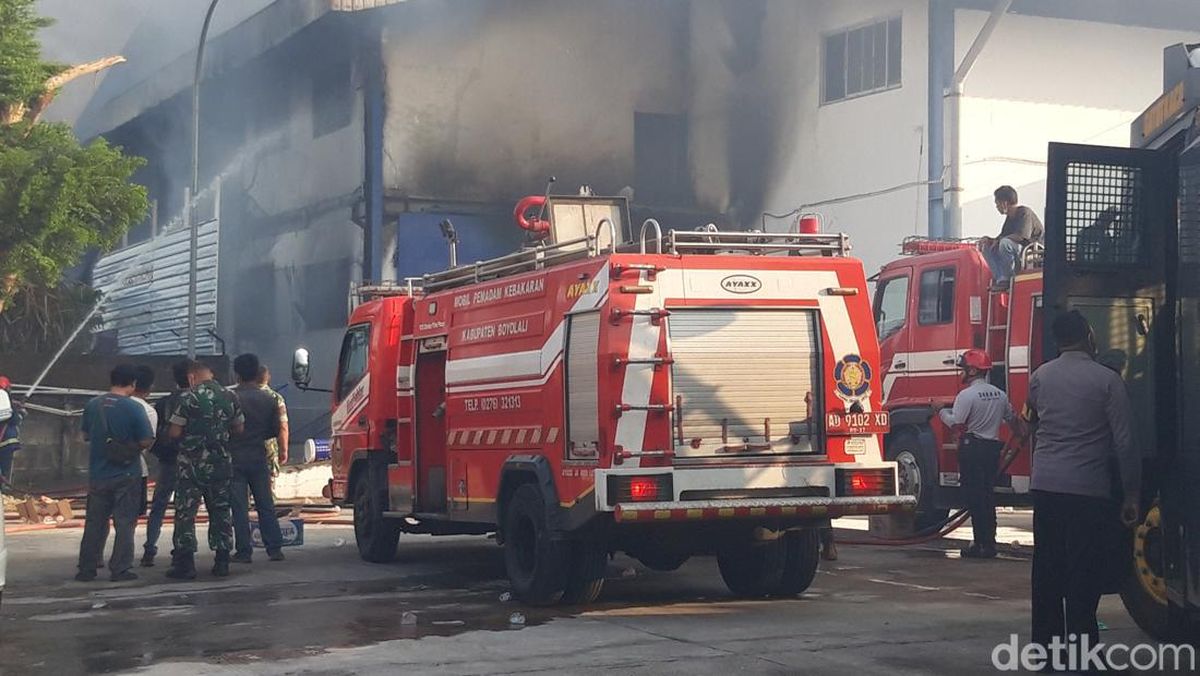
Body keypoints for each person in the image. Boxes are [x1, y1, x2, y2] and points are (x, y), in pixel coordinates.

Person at [1025, 311, 1139, 661]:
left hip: (1045, 486)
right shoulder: (1106, 381)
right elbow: (1125, 443)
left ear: (1059, 340)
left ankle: (1045, 651)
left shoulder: (1040, 377)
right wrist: (1131, 493)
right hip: (1087, 490)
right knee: (1081, 571)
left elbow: (1031, 422)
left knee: (1047, 570)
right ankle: (1080, 654)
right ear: (1089, 335)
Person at [936, 349, 1018, 559]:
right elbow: (1013, 420)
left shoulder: (966, 395)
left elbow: (957, 424)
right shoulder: (1000, 394)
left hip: (972, 449)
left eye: (963, 368)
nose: (961, 372)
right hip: (992, 450)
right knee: (987, 497)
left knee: (975, 498)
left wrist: (939, 411)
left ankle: (981, 544)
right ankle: (988, 543)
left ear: (972, 370)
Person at [76, 364, 155, 583]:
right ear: (133, 383)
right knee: (124, 523)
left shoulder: (93, 405)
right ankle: (120, 569)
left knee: (94, 523)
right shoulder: (134, 408)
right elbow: (146, 439)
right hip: (127, 473)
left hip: (98, 474)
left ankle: (86, 568)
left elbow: (84, 435)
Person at [167, 361, 244, 580]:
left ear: (192, 376)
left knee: (186, 514)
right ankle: (222, 561)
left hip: (190, 467)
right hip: (220, 464)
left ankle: (186, 564)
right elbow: (239, 428)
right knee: (220, 511)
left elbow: (174, 432)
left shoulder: (188, 398)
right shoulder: (230, 397)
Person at [230, 354, 286, 563]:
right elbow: (275, 429)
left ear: (236, 374)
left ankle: (244, 551)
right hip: (258, 455)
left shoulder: (231, 397)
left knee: (239, 507)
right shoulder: (269, 398)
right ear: (257, 373)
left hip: (234, 456)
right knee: (265, 504)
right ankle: (275, 548)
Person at [142, 360, 191, 568]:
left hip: (168, 461)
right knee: (185, 507)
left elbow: (151, 435)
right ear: (192, 376)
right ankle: (181, 549)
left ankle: (150, 548)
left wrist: (160, 452)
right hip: (191, 462)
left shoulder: (163, 404)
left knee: (159, 506)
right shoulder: (198, 401)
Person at [980, 185, 1044, 289]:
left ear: (1004, 203)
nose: (997, 207)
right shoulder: (1009, 218)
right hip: (1017, 248)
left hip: (1030, 251)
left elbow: (1022, 236)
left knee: (1005, 243)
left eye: (997, 204)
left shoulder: (1024, 212)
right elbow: (1002, 236)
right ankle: (1001, 278)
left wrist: (1000, 240)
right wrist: (989, 240)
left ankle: (1007, 277)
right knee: (985, 246)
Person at [132, 366, 158, 516]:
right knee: (130, 519)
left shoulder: (101, 405)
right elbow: (147, 443)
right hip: (135, 470)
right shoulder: (147, 410)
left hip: (102, 472)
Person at [258, 366, 289, 480]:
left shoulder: (239, 396)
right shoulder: (276, 398)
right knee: (268, 485)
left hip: (246, 448)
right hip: (269, 448)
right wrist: (283, 450)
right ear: (268, 378)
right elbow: (283, 426)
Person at [0, 376, 26, 486]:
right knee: (5, 465)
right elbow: (14, 419)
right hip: (6, 440)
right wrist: (21, 414)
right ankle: (3, 485)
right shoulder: (5, 398)